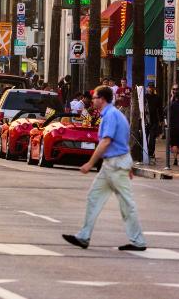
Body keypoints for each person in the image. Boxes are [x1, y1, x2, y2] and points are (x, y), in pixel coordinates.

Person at [62, 85, 146, 252]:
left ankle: (138, 242)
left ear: (102, 99)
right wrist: (128, 166)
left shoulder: (110, 116)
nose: (92, 100)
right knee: (94, 197)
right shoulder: (115, 115)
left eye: (95, 98)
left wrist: (90, 163)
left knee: (126, 204)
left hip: (115, 165)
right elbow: (122, 141)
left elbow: (106, 141)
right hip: (112, 165)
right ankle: (84, 236)